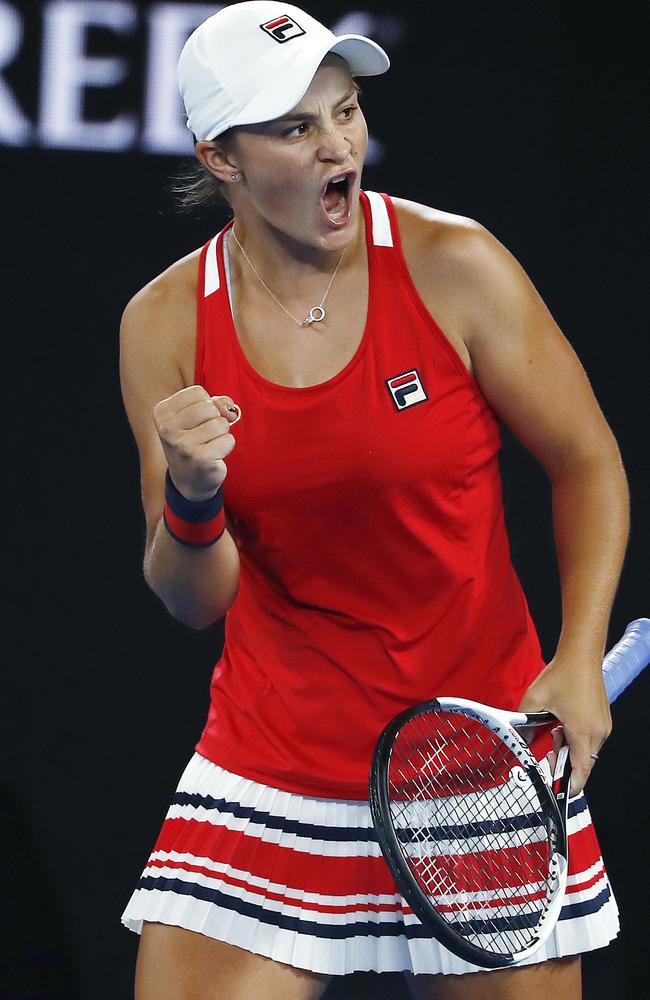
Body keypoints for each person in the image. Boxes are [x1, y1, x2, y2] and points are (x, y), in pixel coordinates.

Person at [120, 3, 629, 998]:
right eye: (295, 127)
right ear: (219, 158)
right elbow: (193, 597)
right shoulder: (165, 321)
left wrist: (575, 658)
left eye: (344, 113)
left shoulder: (457, 267)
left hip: (478, 756)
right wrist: (192, 494)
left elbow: (586, 461)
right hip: (273, 761)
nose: (336, 145)